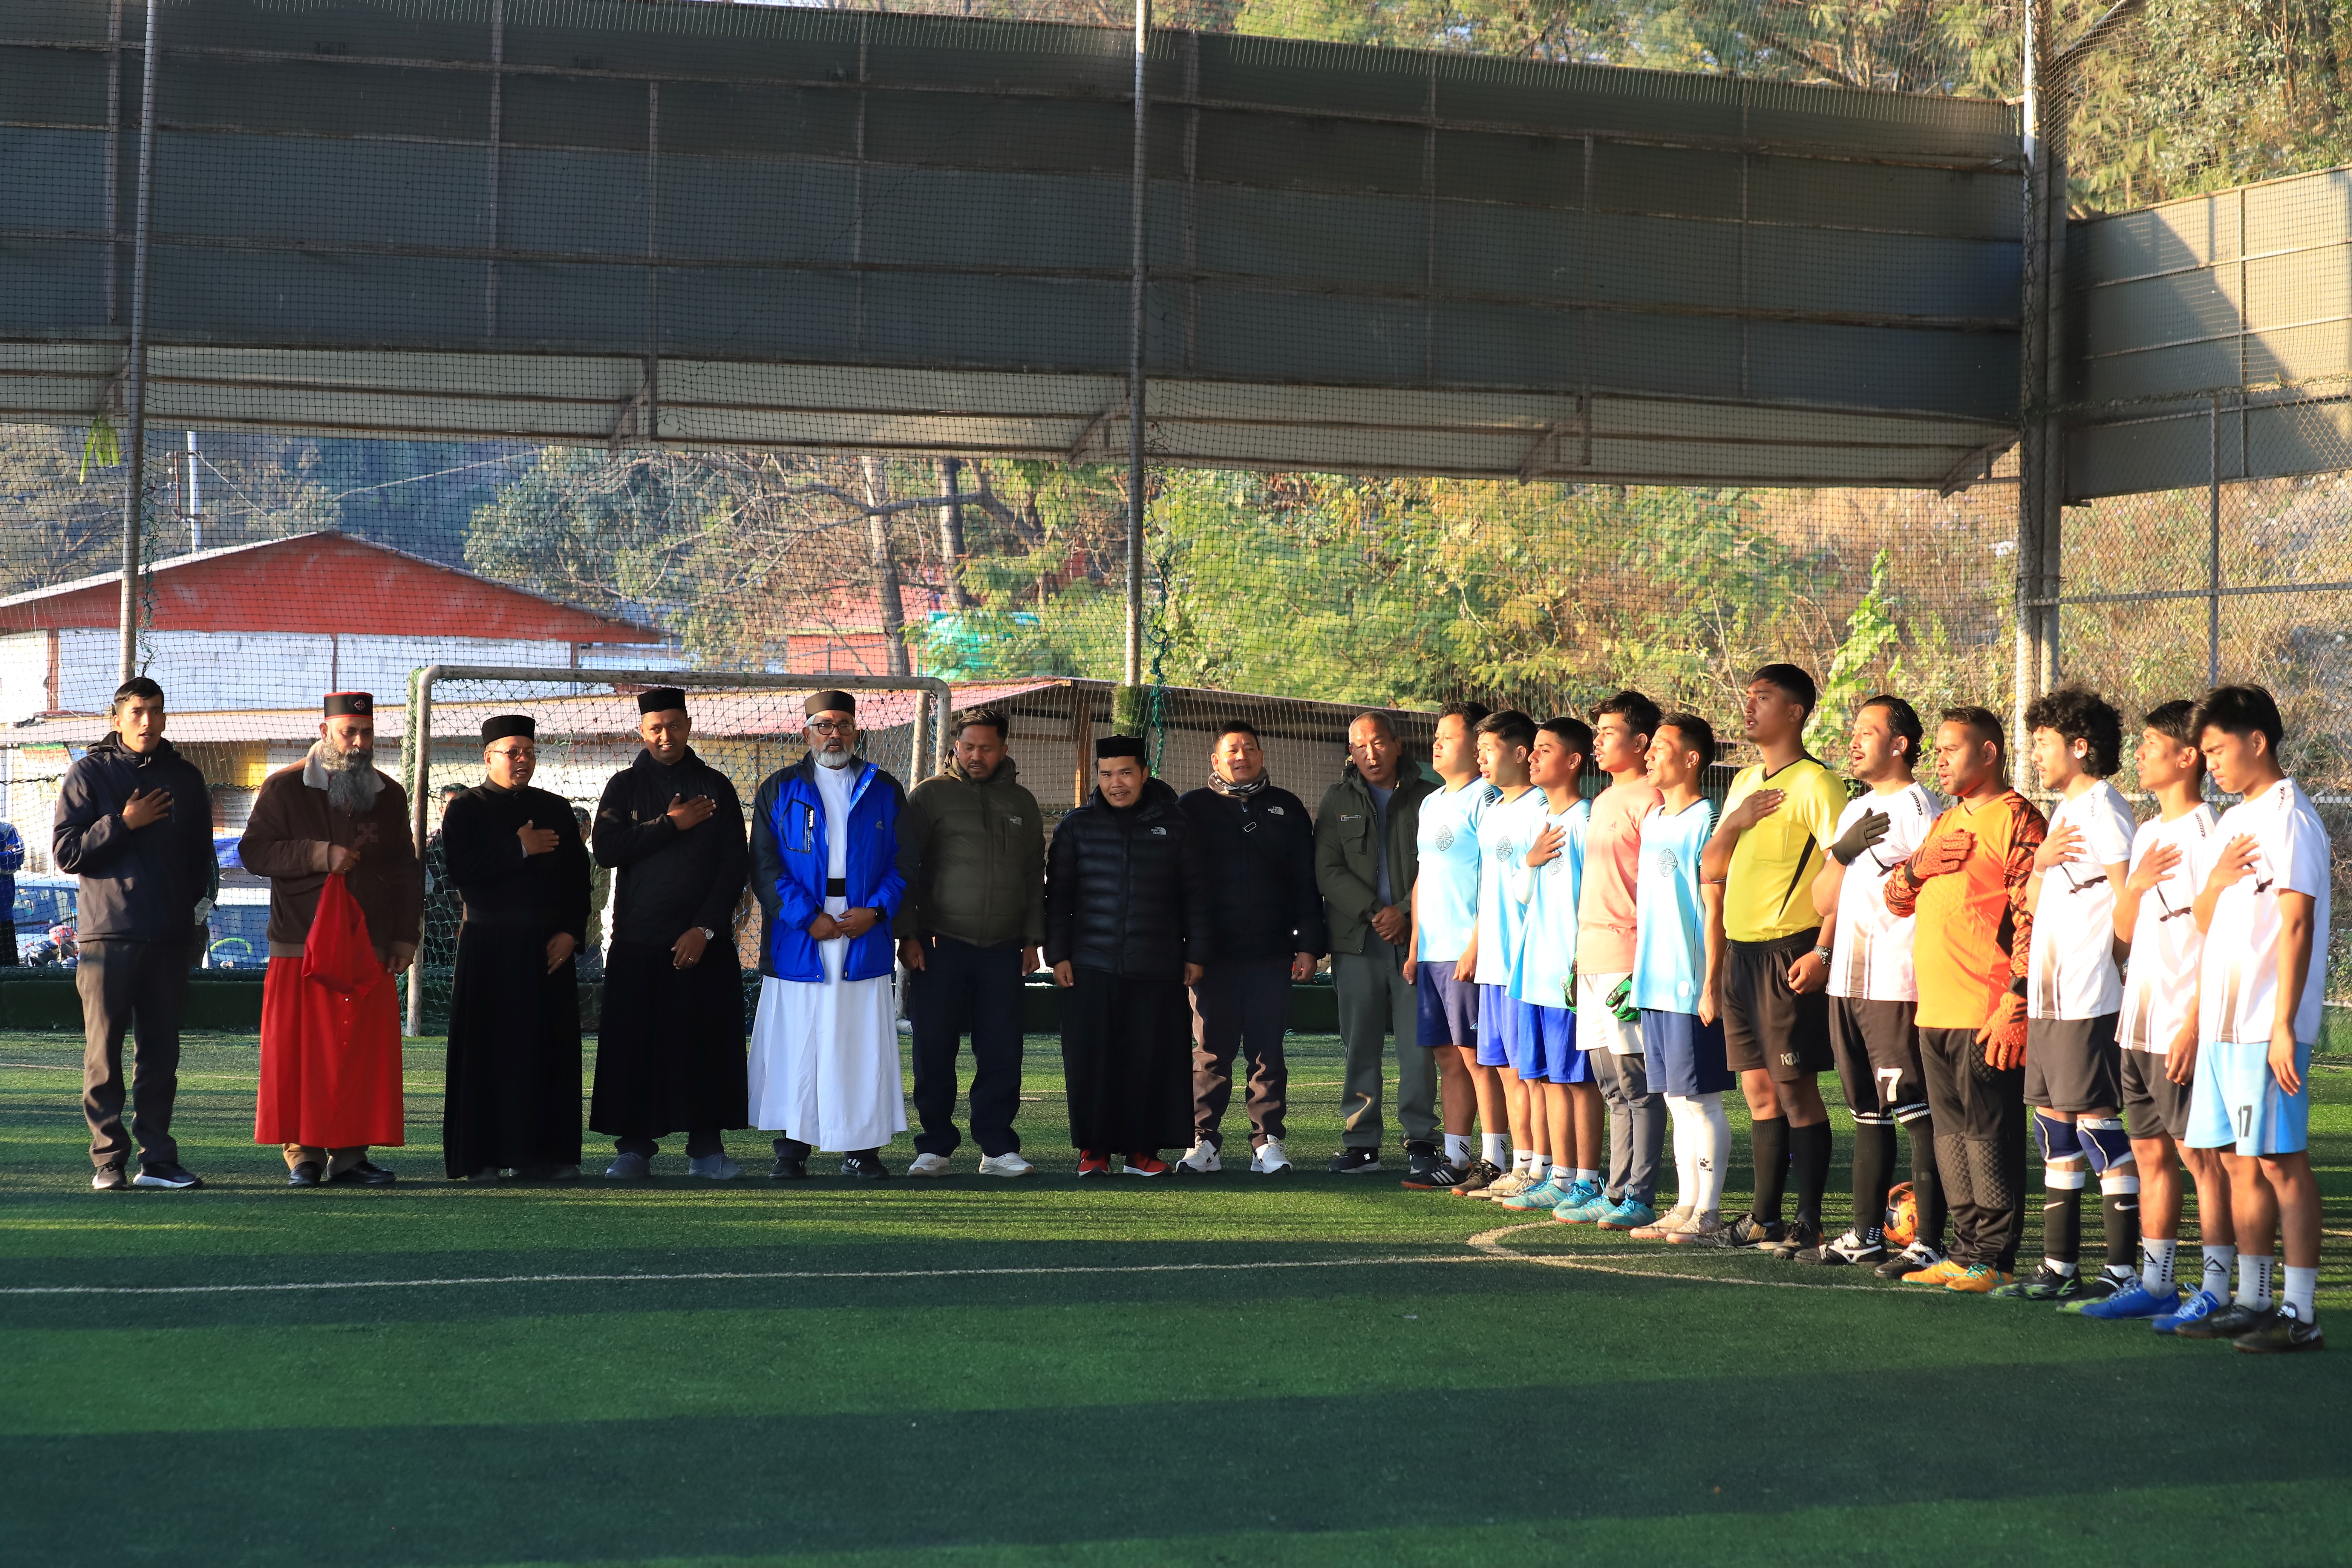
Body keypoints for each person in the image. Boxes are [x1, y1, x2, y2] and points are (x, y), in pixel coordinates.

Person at [2172, 684, 2330, 1352]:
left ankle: (2300, 1313)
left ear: (2257, 741)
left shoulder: (2289, 817)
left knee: (2278, 1162)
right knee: (2239, 1161)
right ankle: (2254, 1298)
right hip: (2222, 1026)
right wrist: (2213, 883)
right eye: (2205, 752)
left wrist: (2284, 1026)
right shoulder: (2237, 821)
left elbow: (2297, 923)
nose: (2210, 763)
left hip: (2266, 1024)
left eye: (2217, 749)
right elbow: (2207, 921)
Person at [2078, 700, 2231, 1325]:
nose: (2138, 754)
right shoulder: (2147, 832)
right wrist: (2135, 888)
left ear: (2187, 756)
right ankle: (2157, 1281)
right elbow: (2123, 931)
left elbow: (2217, 942)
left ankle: (2221, 1288)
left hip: (2180, 1025)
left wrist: (2195, 1023)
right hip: (2136, 1023)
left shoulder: (2207, 832)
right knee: (2148, 1155)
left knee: (2203, 1159)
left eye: (2150, 743)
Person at [1883, 706, 2044, 1294]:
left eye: (1953, 748)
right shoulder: (1945, 820)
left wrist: (2017, 1001)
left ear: (1989, 754)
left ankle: (1996, 1258)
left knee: (1990, 1135)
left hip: (1988, 1010)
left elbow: (2033, 917)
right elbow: (1897, 899)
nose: (1940, 759)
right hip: (1935, 1012)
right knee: (1951, 1136)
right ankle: (1963, 1250)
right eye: (1940, 750)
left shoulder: (2019, 817)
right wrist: (1919, 866)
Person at [239, 691, 423, 1187]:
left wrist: (406, 937)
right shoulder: (282, 788)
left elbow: (406, 871)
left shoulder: (389, 793)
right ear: (325, 732)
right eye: (350, 732)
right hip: (300, 945)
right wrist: (321, 855)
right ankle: (303, 1155)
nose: (360, 743)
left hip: (371, 945)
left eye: (367, 733)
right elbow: (254, 852)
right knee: (300, 1056)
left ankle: (350, 1156)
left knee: (357, 1055)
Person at [1698, 664, 1848, 1258]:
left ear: (1796, 712)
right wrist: (1735, 821)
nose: (1749, 705)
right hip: (1742, 953)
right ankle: (1765, 1217)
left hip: (1791, 952)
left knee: (1795, 1092)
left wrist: (1823, 950)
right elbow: (1712, 867)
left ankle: (1808, 1222)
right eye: (1749, 696)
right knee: (1759, 1092)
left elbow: (1845, 870)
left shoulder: (1818, 783)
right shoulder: (1741, 783)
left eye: (1764, 698)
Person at [2000, 686, 2140, 1302]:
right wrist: (2038, 864)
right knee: (2054, 1127)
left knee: (2097, 1126)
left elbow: (2128, 902)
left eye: (2043, 743)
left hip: (2088, 997)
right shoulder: (2062, 813)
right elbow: (2032, 904)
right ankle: (2059, 1269)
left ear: (2080, 748)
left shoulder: (2105, 807)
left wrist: (2110, 972)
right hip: (2051, 999)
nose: (2034, 755)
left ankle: (2124, 1271)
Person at [1804, 694, 1946, 1273]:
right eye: (1854, 731)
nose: (1854, 740)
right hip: (1848, 981)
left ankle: (1929, 1239)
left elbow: (1934, 895)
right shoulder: (1854, 810)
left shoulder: (1920, 809)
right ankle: (1865, 1234)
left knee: (1915, 1111)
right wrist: (1839, 853)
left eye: (1868, 731)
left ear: (1900, 744)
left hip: (1897, 981)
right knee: (1867, 1112)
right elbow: (1820, 899)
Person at [55, 676, 214, 1191]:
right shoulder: (89, 774)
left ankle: (159, 1160)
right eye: (138, 712)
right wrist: (123, 822)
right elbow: (67, 853)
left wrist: (194, 919)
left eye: (156, 712)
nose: (148, 722)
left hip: (169, 938)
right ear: (118, 718)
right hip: (108, 939)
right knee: (104, 1054)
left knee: (161, 1055)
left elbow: (200, 860)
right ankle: (108, 1162)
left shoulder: (187, 779)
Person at [589, 687, 751, 1181]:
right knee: (634, 1047)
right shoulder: (623, 787)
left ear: (688, 725)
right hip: (638, 941)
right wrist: (670, 825)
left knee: (705, 1046)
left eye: (674, 726)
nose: (666, 736)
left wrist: (705, 928)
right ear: (642, 731)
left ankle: (707, 1150)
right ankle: (634, 1150)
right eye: (655, 728)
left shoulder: (715, 786)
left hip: (705, 943)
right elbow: (607, 849)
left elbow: (734, 867)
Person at [747, 691, 908, 1180]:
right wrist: (806, 916)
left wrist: (876, 912)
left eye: (842, 725)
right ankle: (791, 1150)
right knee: (797, 1041)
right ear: (806, 733)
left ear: (856, 731)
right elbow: (765, 866)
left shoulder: (884, 788)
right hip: (801, 937)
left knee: (859, 1043)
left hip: (863, 932)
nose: (833, 733)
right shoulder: (777, 790)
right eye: (823, 725)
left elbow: (905, 863)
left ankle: (861, 1150)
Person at [1047, 735, 1212, 1176]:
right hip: (1089, 965)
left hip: (1156, 965)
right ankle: (1094, 1151)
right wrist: (1058, 953)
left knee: (1150, 1061)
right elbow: (1057, 897)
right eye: (1106, 774)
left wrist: (1195, 952)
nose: (1115, 783)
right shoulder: (1076, 826)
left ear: (1143, 774)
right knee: (1091, 1061)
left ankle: (1143, 1152)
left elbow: (1195, 897)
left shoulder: (1175, 824)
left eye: (1124, 773)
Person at [441, 715, 592, 1182]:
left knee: (548, 1052)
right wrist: (519, 848)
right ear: (489, 757)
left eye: (529, 751)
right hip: (489, 948)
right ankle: (483, 1156)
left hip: (549, 948)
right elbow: (461, 871)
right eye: (513, 752)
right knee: (488, 1054)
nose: (522, 759)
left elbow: (577, 881)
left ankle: (546, 1155)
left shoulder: (557, 807)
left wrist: (572, 933)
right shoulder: (465, 809)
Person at [895, 706, 1044, 1178]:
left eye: (986, 747)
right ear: (955, 747)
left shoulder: (1022, 802)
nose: (976, 755)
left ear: (1004, 749)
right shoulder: (929, 796)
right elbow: (905, 869)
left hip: (1004, 947)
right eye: (968, 746)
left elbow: (1032, 876)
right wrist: (907, 934)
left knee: (1002, 1050)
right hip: (940, 944)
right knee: (934, 1048)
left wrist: (1033, 939)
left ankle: (998, 1147)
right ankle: (934, 1146)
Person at [1179, 720, 1326, 1175]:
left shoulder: (1287, 807)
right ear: (1215, 759)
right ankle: (1203, 1141)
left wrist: (1309, 947)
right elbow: (1179, 885)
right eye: (1232, 750)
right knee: (1210, 1051)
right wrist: (1188, 950)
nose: (1241, 756)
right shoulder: (1192, 809)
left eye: (1249, 748)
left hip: (1272, 953)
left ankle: (1268, 1141)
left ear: (1262, 755)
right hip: (1211, 958)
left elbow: (1306, 881)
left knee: (1267, 1052)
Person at [1314, 710, 1438, 1176]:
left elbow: (1440, 865)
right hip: (1357, 942)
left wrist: (1405, 912)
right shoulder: (1336, 799)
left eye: (1379, 742)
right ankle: (1361, 1141)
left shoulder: (1430, 798)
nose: (1371, 752)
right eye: (1360, 745)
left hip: (1416, 940)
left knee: (1417, 1045)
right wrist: (1375, 911)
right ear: (1351, 752)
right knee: (1359, 1042)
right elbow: (1327, 869)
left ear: (1398, 743)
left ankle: (1422, 1139)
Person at [1626, 713, 1733, 1245]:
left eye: (1661, 747)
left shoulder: (1706, 820)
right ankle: (1686, 1204)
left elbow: (1714, 911)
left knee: (1702, 1100)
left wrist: (1711, 983)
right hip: (1652, 984)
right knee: (1673, 1099)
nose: (1649, 754)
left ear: (1692, 758)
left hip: (1691, 986)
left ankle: (1709, 1214)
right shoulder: (1654, 822)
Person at [1562, 691, 1666, 1226]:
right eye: (1596, 732)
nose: (1598, 741)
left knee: (1636, 1082)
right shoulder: (1604, 799)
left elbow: (1655, 891)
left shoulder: (1652, 800)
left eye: (1608, 732)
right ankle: (1618, 1187)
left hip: (1628, 959)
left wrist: (1642, 967)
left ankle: (1640, 1197)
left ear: (1641, 742)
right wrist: (1576, 959)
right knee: (1609, 1083)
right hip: (1593, 958)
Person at [1505, 715, 1605, 1216]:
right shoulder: (1542, 820)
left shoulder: (1587, 819)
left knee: (1577, 1080)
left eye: (1545, 749)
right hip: (1533, 971)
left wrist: (1579, 960)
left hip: (1568, 975)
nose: (1534, 757)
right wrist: (1530, 861)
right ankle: (1558, 1174)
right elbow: (1523, 898)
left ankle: (1587, 1178)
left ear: (1573, 762)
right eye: (1534, 749)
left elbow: (1594, 897)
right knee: (1545, 1079)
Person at [1402, 701, 1500, 1193]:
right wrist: (1416, 944)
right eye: (1435, 735)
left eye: (1448, 735)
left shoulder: (1489, 798)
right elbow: (1423, 876)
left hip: (1469, 949)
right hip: (1434, 952)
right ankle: (1458, 1156)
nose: (1436, 743)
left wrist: (1476, 945)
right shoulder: (1432, 801)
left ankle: (1496, 1158)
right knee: (1448, 1056)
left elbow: (1495, 879)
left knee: (1478, 1056)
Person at [1464, 710, 1559, 1209]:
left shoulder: (1542, 805)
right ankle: (1522, 1163)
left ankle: (1545, 1165)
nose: (1480, 756)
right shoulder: (1491, 807)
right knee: (1504, 1069)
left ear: (1521, 753)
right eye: (1477, 748)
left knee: (1534, 1074)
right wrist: (1477, 946)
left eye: (1490, 748)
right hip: (1493, 964)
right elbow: (1489, 887)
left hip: (1529, 963)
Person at [420, 783, 464, 965]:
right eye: (451, 805)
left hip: (467, 932)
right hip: (433, 936)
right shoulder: (427, 847)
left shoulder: (481, 846)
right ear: (440, 809)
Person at [576, 806, 610, 983]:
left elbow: (600, 900)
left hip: (588, 944)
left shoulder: (597, 862)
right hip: (554, 942)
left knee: (590, 999)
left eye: (581, 827)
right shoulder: (550, 862)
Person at [0, 815, 24, 962]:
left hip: (3, 921)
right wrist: (3, 853)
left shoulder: (6, 830)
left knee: (8, 975)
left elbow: (16, 859)